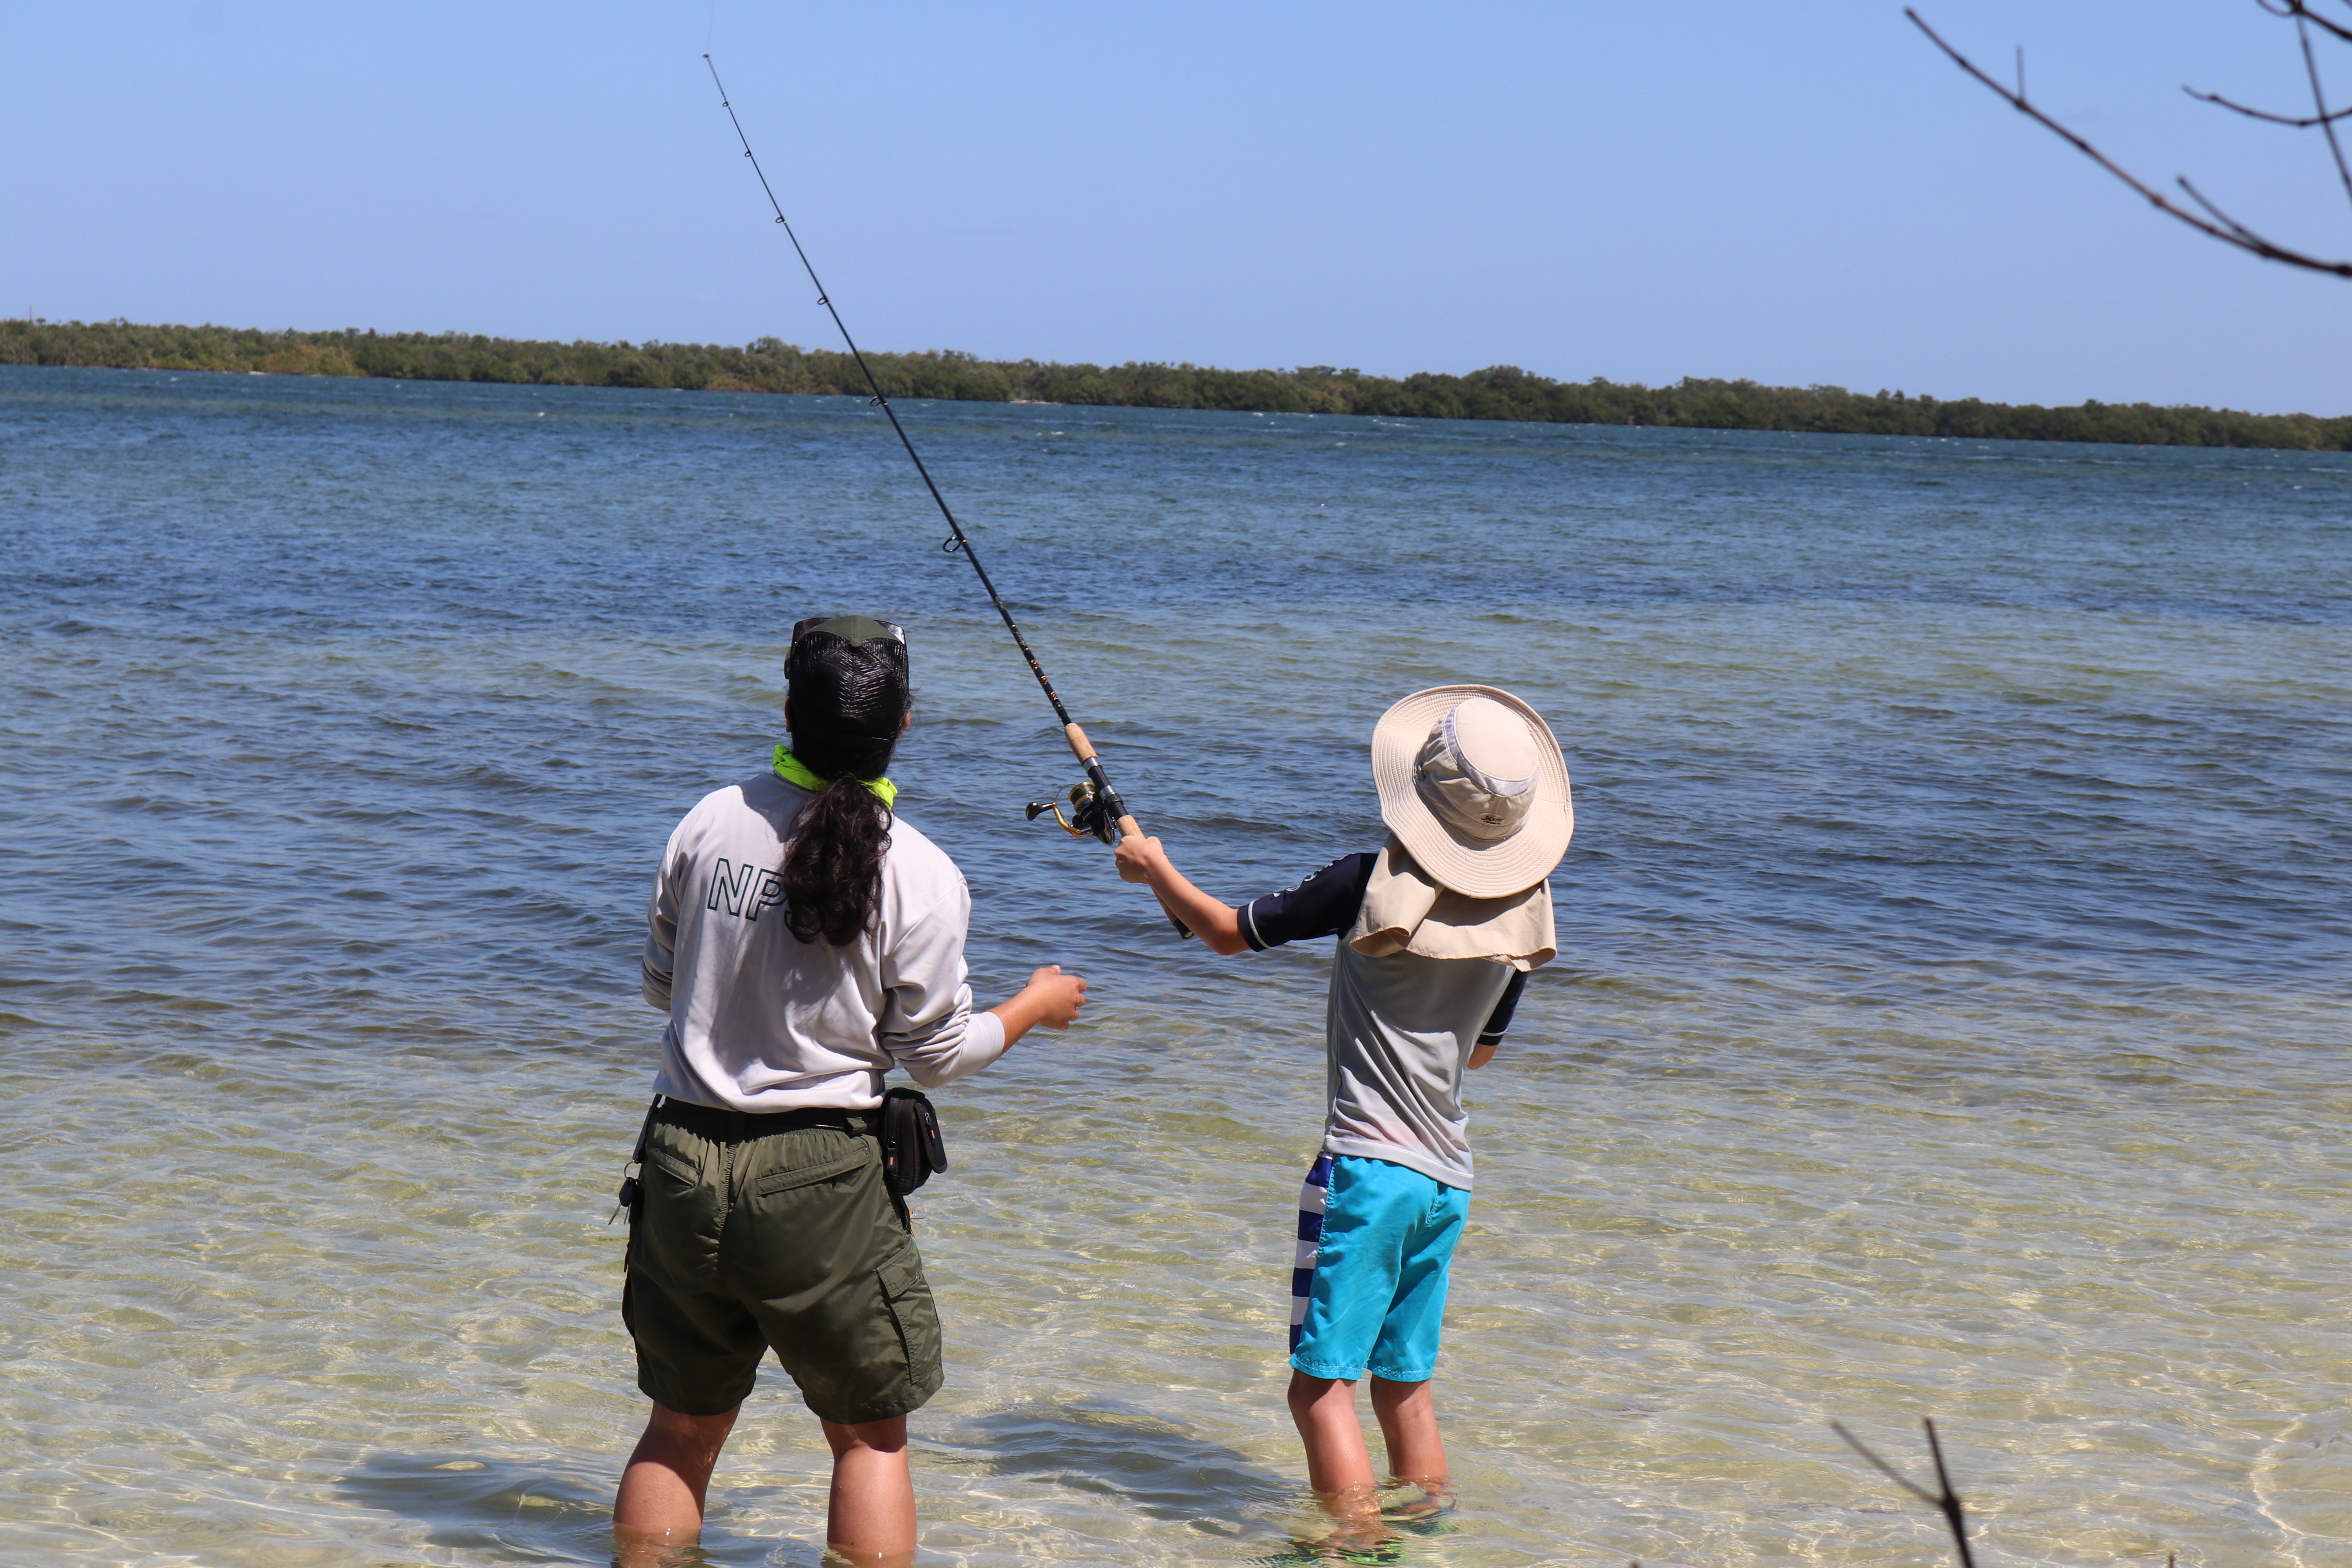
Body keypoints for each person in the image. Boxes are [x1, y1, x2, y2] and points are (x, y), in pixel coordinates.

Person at [612, 615, 1087, 1567]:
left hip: (682, 1156)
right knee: (869, 1435)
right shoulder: (922, 870)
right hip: (821, 1174)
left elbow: (663, 987)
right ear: (905, 724)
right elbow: (939, 1053)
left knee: (681, 1426)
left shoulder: (706, 823)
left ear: (789, 711)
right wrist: (1034, 1004)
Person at [1113, 686, 1571, 1534]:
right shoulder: (1523, 911)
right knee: (1406, 1386)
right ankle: (1425, 1539)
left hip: (1365, 1168)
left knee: (1318, 1387)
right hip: (1448, 1179)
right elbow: (1482, 1052)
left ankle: (1355, 1551)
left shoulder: (1365, 882)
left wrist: (1153, 869)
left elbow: (1224, 931)